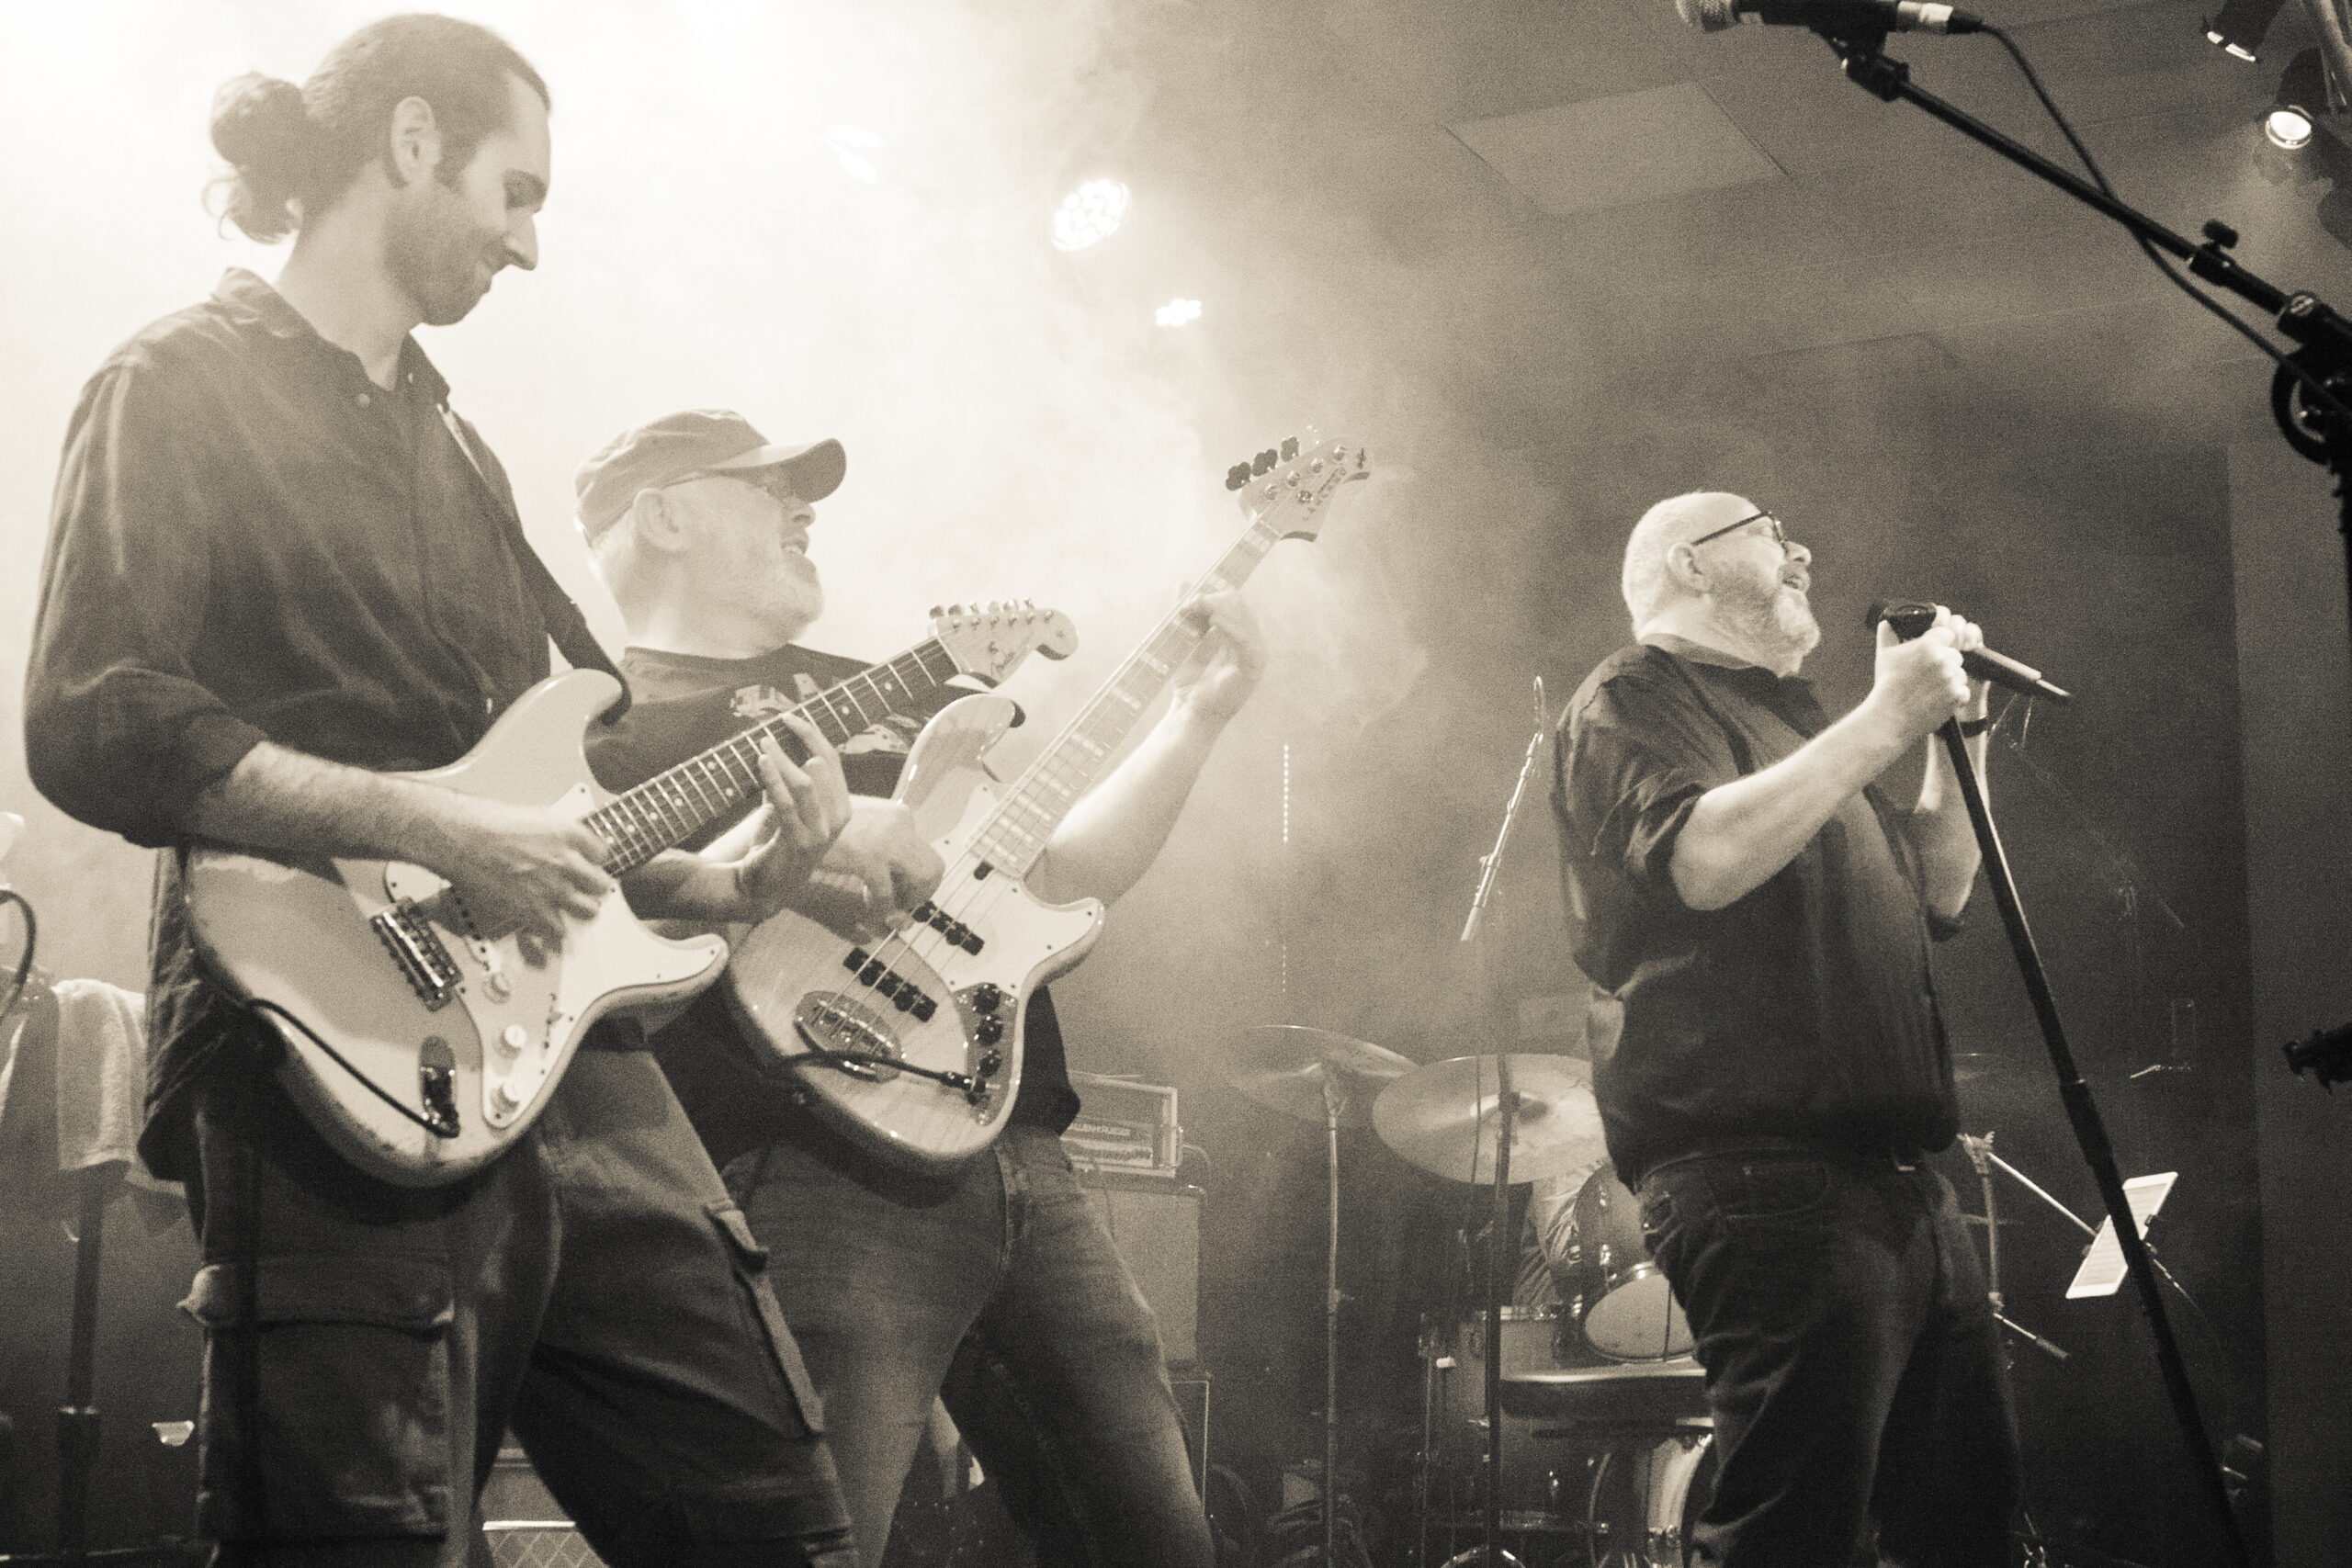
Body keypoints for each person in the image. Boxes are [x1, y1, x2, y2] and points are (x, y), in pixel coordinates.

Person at [24, 18, 863, 1566]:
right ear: (412, 143)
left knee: (778, 1528)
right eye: (515, 191)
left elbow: (554, 815)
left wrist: (738, 886)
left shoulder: (463, 454)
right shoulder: (175, 381)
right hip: (322, 1047)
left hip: (575, 1063)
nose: (529, 242)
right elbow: (95, 716)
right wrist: (427, 824)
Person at [576, 408, 1261, 1567]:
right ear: (664, 516)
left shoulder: (889, 693)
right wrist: (777, 859)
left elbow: (1053, 880)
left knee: (1159, 1542)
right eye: (766, 488)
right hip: (811, 1158)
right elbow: (615, 953)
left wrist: (1198, 718)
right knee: (808, 1543)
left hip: (1021, 1154)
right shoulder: (605, 738)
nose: (804, 511)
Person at [1548, 492, 2020, 1566]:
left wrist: (1957, 734)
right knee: (1793, 1537)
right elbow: (1704, 859)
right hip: (1766, 1180)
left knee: (1965, 1529)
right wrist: (1885, 718)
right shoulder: (1633, 695)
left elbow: (1941, 888)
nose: (1801, 552)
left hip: (1901, 1185)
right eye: (1769, 533)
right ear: (1690, 564)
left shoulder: (1797, 725)